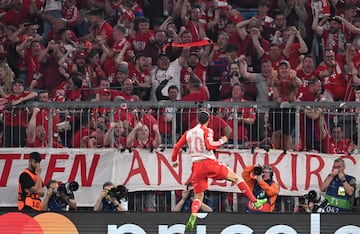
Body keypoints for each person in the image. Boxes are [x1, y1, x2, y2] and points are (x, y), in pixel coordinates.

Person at [171, 110, 266, 231]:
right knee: (236, 179)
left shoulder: (188, 133)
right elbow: (210, 146)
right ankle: (255, 201)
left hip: (196, 166)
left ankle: (193, 214)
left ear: (197, 120)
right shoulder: (207, 130)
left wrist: (174, 161)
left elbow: (176, 147)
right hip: (209, 163)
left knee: (198, 197)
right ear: (208, 121)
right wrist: (223, 140)